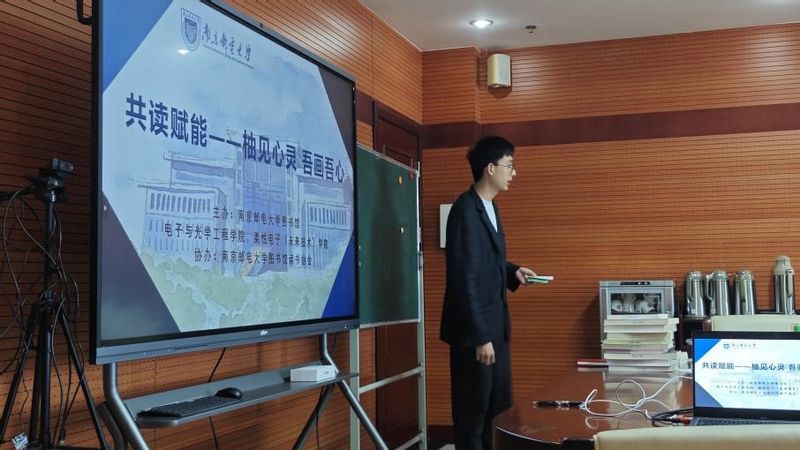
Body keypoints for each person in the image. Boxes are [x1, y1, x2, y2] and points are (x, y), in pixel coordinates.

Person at [439, 135, 536, 450]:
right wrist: (480, 337)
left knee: (498, 411)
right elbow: (462, 277)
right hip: (475, 334)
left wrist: (512, 271)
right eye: (510, 165)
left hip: (496, 328)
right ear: (490, 168)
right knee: (473, 416)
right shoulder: (465, 210)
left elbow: (486, 260)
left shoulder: (490, 207)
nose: (514, 173)